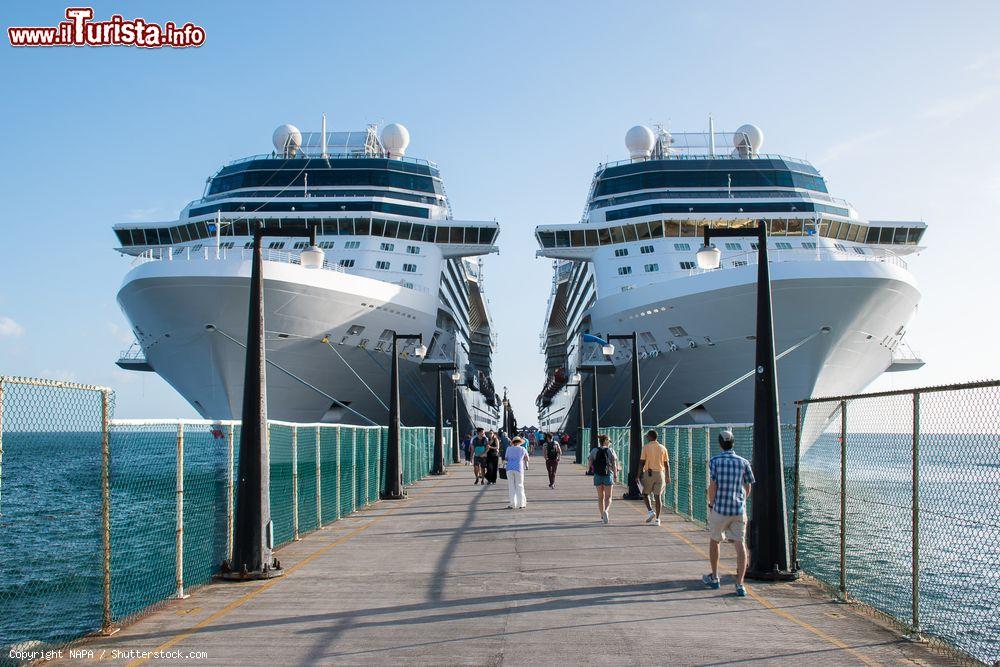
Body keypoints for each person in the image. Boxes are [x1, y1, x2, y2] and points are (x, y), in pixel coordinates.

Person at [702, 429, 755, 597]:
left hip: (720, 508)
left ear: (720, 443)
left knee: (715, 540)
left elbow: (713, 485)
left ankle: (715, 577)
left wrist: (711, 504)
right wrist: (742, 500)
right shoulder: (744, 462)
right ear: (733, 443)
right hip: (738, 509)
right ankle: (740, 584)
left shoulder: (715, 461)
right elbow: (748, 486)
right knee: (740, 545)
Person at [638, 429, 670, 526]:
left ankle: (651, 511)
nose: (646, 437)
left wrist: (638, 475)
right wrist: (668, 476)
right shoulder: (663, 448)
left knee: (645, 494)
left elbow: (642, 462)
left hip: (649, 473)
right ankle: (658, 519)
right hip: (660, 474)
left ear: (651, 437)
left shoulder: (646, 447)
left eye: (647, 436)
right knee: (658, 496)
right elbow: (667, 464)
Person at [589, 434, 618, 524]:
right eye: (609, 441)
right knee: (608, 496)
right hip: (608, 475)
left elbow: (590, 462)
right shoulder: (610, 450)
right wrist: (615, 475)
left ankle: (602, 515)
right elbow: (614, 464)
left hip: (597, 475)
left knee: (600, 497)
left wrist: (591, 469)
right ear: (605, 441)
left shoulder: (594, 450)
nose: (609, 442)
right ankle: (606, 510)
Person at [504, 436, 529, 509]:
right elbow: (527, 459)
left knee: (511, 486)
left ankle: (512, 503)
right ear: (519, 442)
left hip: (509, 468)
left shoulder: (508, 448)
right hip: (518, 468)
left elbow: (506, 458)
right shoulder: (522, 449)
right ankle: (521, 504)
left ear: (513, 442)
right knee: (519, 485)